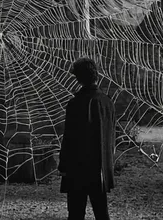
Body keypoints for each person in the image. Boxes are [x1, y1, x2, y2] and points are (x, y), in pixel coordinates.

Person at [58, 57, 116, 220]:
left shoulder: (75, 103)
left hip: (78, 168)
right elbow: (111, 136)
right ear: (96, 75)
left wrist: (63, 165)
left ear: (78, 78)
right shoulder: (107, 102)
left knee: (76, 213)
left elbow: (69, 138)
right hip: (100, 167)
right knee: (102, 213)